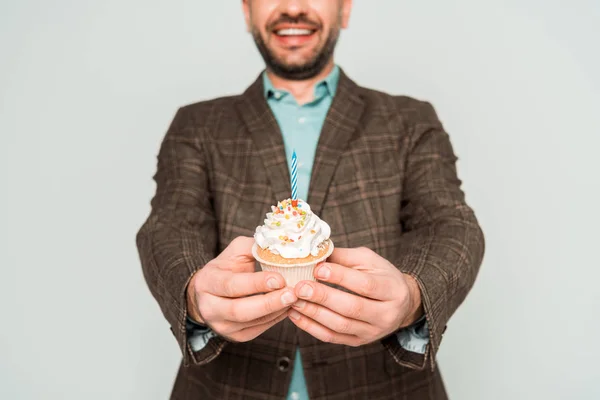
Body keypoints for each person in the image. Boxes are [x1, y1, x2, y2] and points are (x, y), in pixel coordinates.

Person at [136, 0, 485, 399]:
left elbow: (449, 224)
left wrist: (412, 296)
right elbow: (168, 225)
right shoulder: (197, 124)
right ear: (247, 11)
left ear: (345, 10)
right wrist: (194, 294)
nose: (294, 7)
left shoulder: (410, 119)